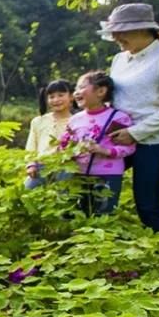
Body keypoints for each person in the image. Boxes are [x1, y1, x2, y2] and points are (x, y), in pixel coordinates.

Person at [102, 3, 159, 232]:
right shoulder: (120, 60)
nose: (116, 38)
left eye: (121, 32)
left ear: (143, 29)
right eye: (114, 32)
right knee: (95, 185)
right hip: (120, 137)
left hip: (157, 141)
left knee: (147, 203)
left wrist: (136, 132)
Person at [58, 71, 135, 216]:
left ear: (101, 91)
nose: (76, 93)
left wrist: (104, 150)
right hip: (78, 174)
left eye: (81, 87)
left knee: (104, 214)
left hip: (108, 174)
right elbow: (64, 143)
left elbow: (129, 147)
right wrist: (66, 151)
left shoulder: (117, 117)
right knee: (77, 215)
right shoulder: (75, 119)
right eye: (76, 89)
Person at [24, 79, 75, 189]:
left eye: (60, 95)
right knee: (27, 191)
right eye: (51, 97)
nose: (56, 100)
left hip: (66, 166)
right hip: (40, 167)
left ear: (71, 96)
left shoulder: (77, 121)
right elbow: (31, 146)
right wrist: (31, 164)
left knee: (63, 196)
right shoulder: (38, 121)